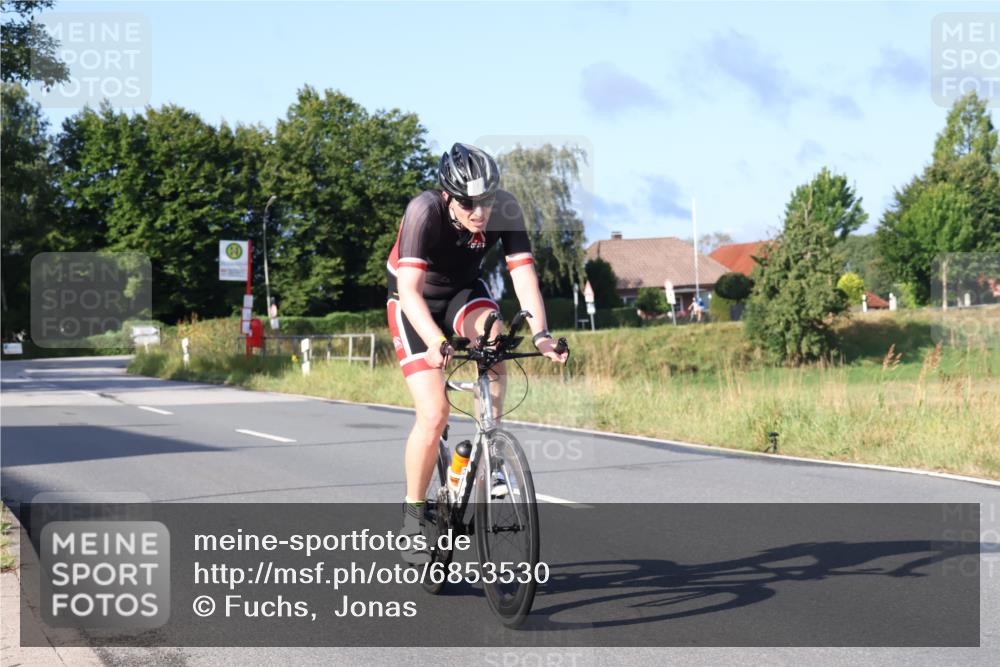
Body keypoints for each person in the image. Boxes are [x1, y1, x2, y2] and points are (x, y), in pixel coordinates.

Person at [386, 143, 567, 564]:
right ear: (447, 195)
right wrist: (434, 341)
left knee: (495, 337)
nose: (480, 212)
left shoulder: (505, 208)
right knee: (434, 414)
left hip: (464, 294)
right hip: (414, 302)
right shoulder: (423, 211)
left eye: (486, 201)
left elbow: (523, 277)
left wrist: (541, 334)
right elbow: (409, 292)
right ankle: (413, 516)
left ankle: (493, 450)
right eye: (469, 203)